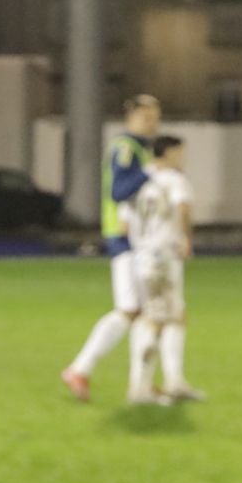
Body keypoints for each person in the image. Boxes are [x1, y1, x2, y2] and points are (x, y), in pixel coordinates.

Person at [62, 93, 161, 401]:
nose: (152, 123)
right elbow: (119, 191)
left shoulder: (141, 149)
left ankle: (138, 384)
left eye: (155, 117)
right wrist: (150, 172)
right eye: (146, 117)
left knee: (140, 312)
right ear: (130, 117)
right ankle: (82, 369)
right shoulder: (126, 148)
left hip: (138, 238)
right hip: (125, 237)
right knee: (133, 310)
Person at [125, 135, 203, 405]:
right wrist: (186, 238)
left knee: (175, 316)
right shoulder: (174, 179)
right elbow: (183, 206)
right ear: (169, 153)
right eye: (180, 153)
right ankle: (140, 388)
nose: (183, 158)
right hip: (163, 257)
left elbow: (125, 222)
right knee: (154, 321)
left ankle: (174, 381)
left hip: (141, 256)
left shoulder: (138, 181)